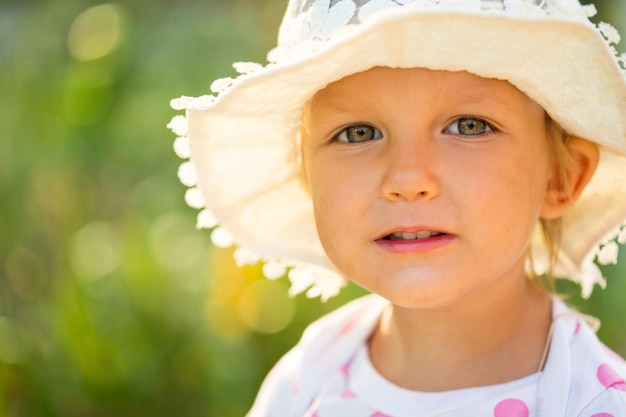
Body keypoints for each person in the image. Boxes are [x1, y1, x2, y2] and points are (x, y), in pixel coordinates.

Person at [168, 0, 626, 415]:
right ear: (309, 178)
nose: (407, 179)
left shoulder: (589, 400)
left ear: (560, 178)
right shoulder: (309, 379)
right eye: (358, 133)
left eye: (468, 126)